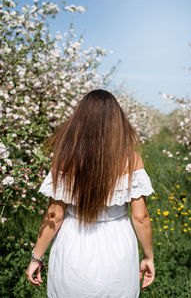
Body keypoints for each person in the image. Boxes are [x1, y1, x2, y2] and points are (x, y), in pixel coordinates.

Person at [26, 89, 155, 298]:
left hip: (73, 244)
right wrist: (148, 257)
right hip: (117, 245)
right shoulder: (132, 160)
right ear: (117, 122)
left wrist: (36, 257)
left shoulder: (65, 158)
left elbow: (54, 215)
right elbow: (140, 218)